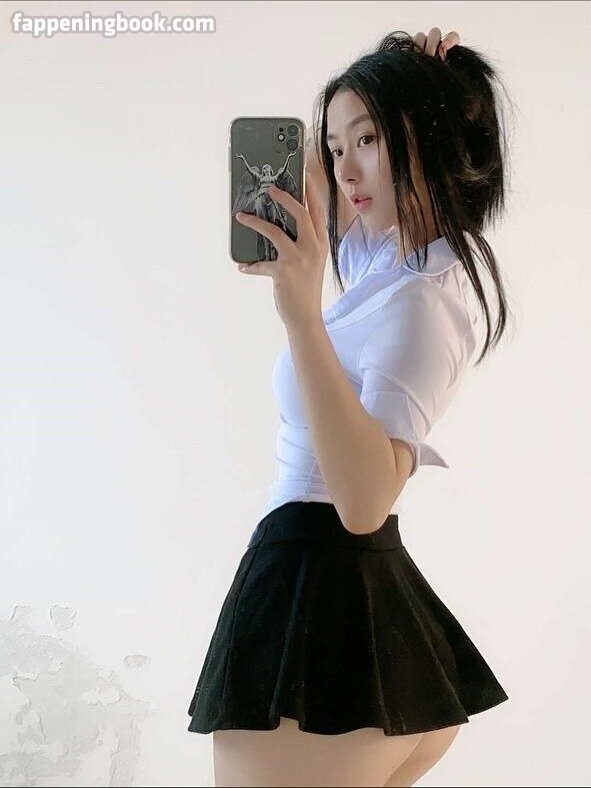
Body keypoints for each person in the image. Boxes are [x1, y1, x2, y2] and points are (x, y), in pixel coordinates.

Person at [187, 27, 512, 787]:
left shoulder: (422, 300)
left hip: (321, 596)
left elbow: (364, 501)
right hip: (352, 601)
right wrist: (416, 84)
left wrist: (301, 316)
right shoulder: (391, 256)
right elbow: (321, 180)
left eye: (369, 140)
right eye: (337, 147)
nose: (345, 169)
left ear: (428, 137)